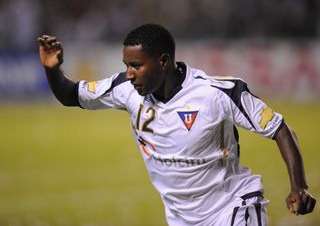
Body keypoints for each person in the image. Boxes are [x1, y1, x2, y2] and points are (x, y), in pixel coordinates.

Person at [38, 23, 316, 226]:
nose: (129, 74)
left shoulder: (217, 93)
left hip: (232, 208)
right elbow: (71, 95)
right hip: (182, 219)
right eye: (126, 65)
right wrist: (52, 70)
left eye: (136, 65)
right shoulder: (124, 88)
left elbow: (279, 128)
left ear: (163, 61)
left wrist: (299, 185)